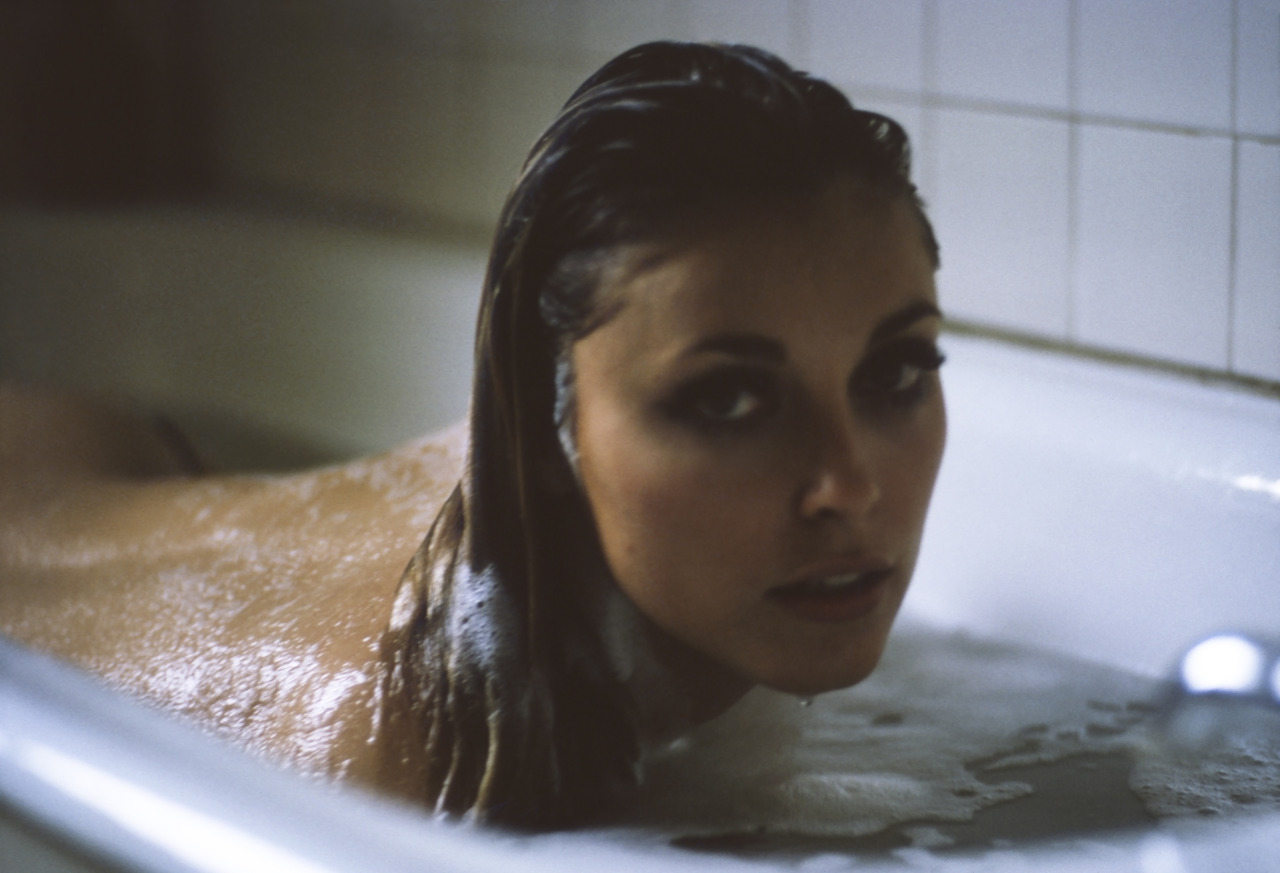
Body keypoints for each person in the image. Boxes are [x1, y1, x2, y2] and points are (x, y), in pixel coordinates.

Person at [0, 41, 945, 828]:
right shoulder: (407, 760)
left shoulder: (597, 500)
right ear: (547, 423)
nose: (849, 485)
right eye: (728, 401)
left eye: (896, 371)